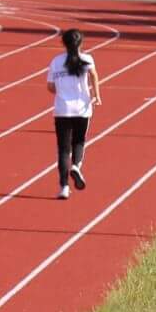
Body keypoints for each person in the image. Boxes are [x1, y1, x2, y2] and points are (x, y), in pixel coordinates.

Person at [45, 27, 102, 200]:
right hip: (82, 109)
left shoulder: (56, 61)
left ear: (63, 43)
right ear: (81, 43)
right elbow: (94, 75)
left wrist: (62, 88)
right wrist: (97, 96)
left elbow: (50, 87)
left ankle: (63, 187)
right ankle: (76, 166)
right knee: (79, 141)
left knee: (63, 150)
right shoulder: (88, 59)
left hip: (62, 109)